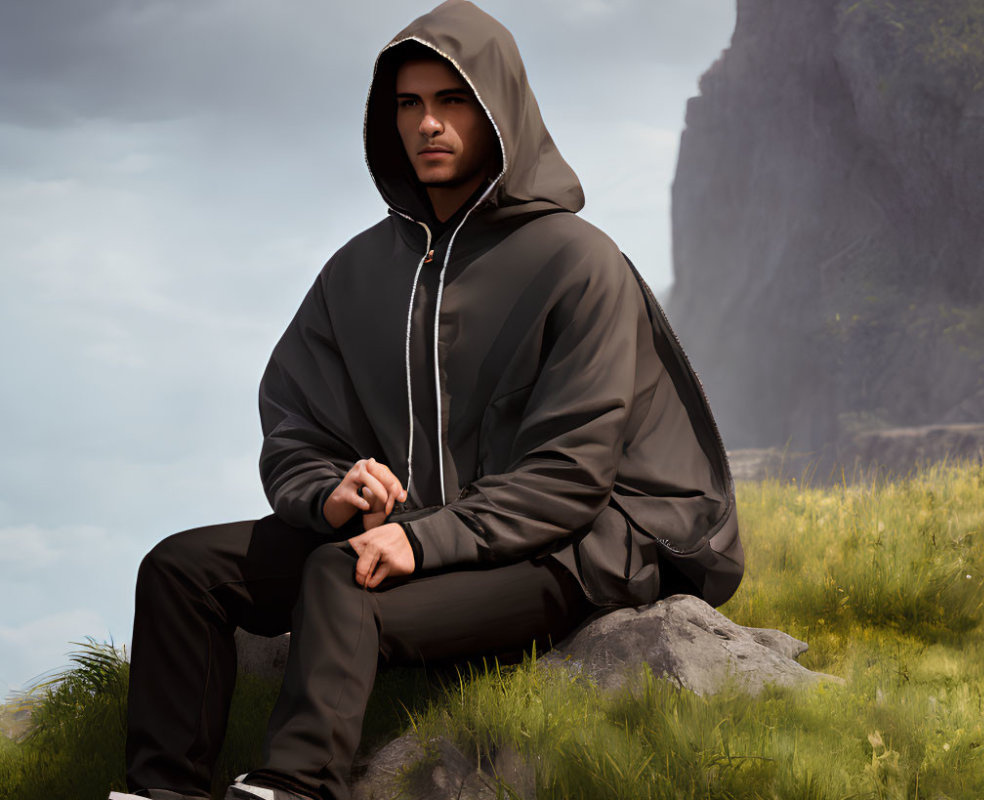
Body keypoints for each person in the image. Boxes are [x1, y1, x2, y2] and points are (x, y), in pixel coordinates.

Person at [111, 2, 743, 799]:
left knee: (342, 579)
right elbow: (297, 420)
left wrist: (423, 543)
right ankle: (159, 790)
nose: (429, 125)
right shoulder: (358, 271)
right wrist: (329, 494)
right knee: (180, 569)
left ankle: (297, 786)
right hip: (428, 526)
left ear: (498, 110)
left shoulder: (579, 264)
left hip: (571, 547)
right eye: (409, 105)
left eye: (452, 102)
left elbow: (570, 479)